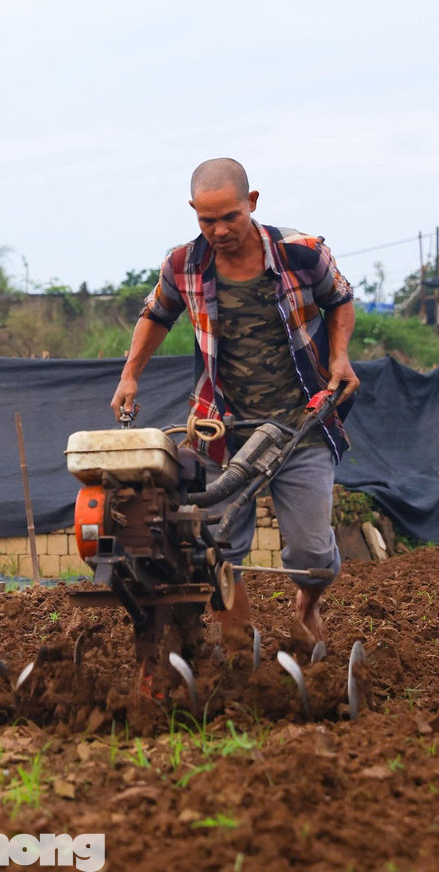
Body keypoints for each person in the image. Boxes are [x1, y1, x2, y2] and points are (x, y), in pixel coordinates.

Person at [109, 158, 360, 651]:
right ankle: (238, 637)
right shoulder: (183, 264)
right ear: (193, 212)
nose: (219, 230)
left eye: (230, 217)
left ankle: (307, 605)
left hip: (302, 423)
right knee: (217, 548)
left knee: (311, 553)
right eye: (207, 220)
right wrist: (129, 375)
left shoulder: (302, 254)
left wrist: (341, 356)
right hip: (221, 428)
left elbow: (341, 299)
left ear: (253, 203)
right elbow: (155, 314)